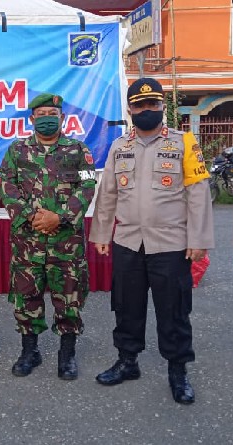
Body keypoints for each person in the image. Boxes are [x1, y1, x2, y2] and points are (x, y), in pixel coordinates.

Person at [89, 78, 213, 405]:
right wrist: (102, 233)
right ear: (130, 109)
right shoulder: (120, 147)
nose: (146, 110)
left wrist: (198, 239)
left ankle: (178, 370)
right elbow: (108, 195)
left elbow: (198, 194)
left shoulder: (185, 143)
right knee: (126, 306)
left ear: (162, 107)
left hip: (171, 243)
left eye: (153, 104)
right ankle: (127, 361)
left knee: (173, 310)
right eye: (140, 105)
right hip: (128, 240)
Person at [0, 92, 97, 381]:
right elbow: (7, 185)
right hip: (28, 242)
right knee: (26, 297)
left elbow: (89, 184)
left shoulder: (79, 150)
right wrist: (32, 216)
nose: (46, 120)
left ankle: (66, 355)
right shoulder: (17, 151)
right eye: (40, 115)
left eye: (51, 115)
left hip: (66, 244)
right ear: (31, 119)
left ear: (62, 117)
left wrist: (61, 216)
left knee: (69, 298)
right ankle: (30, 351)